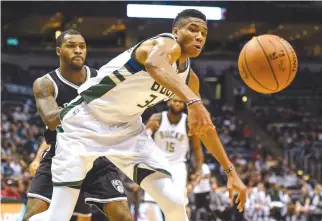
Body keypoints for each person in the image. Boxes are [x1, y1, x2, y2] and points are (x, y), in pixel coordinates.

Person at [30, 9, 247, 221]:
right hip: (85, 122)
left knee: (174, 200)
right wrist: (194, 101)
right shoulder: (164, 44)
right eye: (193, 29)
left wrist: (231, 173)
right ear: (176, 31)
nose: (199, 36)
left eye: (204, 33)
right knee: (58, 215)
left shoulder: (190, 80)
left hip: (128, 130)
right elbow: (154, 64)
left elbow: (205, 128)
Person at [24, 30, 132, 221]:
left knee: (123, 216)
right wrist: (84, 101)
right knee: (32, 215)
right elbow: (50, 119)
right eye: (71, 46)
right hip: (61, 154)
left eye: (82, 46)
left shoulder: (100, 79)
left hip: (97, 155)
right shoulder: (45, 84)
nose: (78, 50)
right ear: (59, 50)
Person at [141, 96, 204, 221]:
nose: (178, 104)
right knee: (150, 202)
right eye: (175, 100)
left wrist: (199, 169)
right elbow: (143, 140)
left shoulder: (188, 123)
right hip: (157, 164)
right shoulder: (157, 118)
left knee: (180, 203)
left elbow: (197, 148)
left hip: (178, 166)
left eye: (181, 102)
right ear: (169, 101)